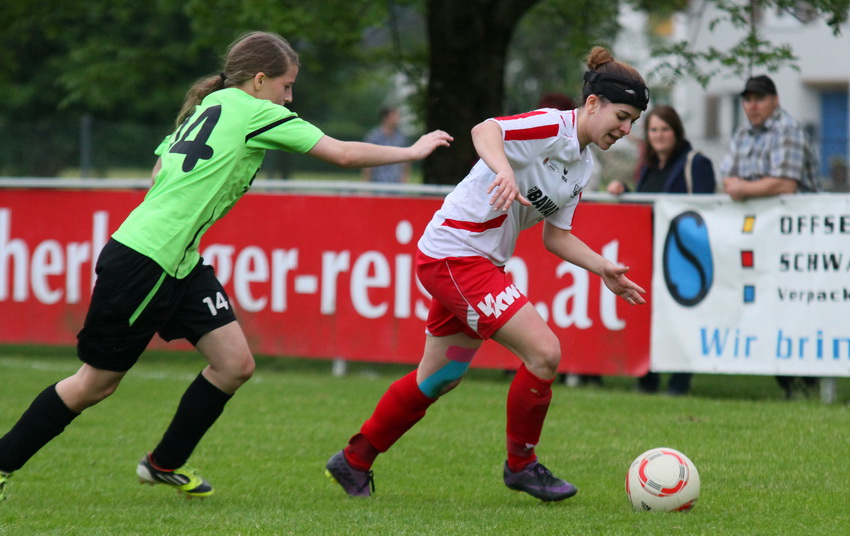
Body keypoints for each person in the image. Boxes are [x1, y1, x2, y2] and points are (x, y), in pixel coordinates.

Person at [0, 31, 452, 502]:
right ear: (259, 81)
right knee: (94, 384)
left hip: (179, 261)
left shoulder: (209, 106)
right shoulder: (256, 112)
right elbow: (342, 153)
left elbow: (159, 173)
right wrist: (412, 151)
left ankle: (163, 463)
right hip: (145, 262)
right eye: (286, 86)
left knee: (234, 364)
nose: (289, 98)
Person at [325, 46, 648, 502]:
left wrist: (603, 269)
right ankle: (522, 466)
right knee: (544, 353)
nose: (627, 129)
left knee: (439, 377)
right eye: (622, 116)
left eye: (633, 121)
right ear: (592, 104)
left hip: (474, 262)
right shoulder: (551, 126)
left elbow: (556, 237)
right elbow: (485, 130)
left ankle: (353, 460)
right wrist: (504, 172)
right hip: (456, 255)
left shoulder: (582, 165)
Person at [720, 74, 821, 399]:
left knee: (795, 306)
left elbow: (785, 184)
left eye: (760, 99)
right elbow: (728, 178)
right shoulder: (742, 132)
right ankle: (788, 381)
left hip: (797, 237)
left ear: (775, 101)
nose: (752, 106)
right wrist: (749, 187)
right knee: (764, 304)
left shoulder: (788, 130)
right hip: (759, 234)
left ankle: (807, 380)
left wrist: (745, 188)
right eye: (747, 99)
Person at [607, 105, 716, 396]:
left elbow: (706, 210)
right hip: (649, 253)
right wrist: (624, 192)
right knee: (647, 315)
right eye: (653, 129)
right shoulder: (648, 167)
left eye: (665, 129)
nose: (659, 135)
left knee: (681, 318)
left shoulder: (696, 163)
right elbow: (646, 204)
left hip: (684, 256)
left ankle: (680, 381)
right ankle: (648, 378)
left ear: (676, 131)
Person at [361, 106, 410, 183]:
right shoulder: (374, 137)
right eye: (395, 115)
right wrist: (366, 183)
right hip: (378, 183)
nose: (398, 118)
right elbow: (367, 160)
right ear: (386, 117)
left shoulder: (401, 138)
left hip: (396, 184)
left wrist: (404, 181)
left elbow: (406, 163)